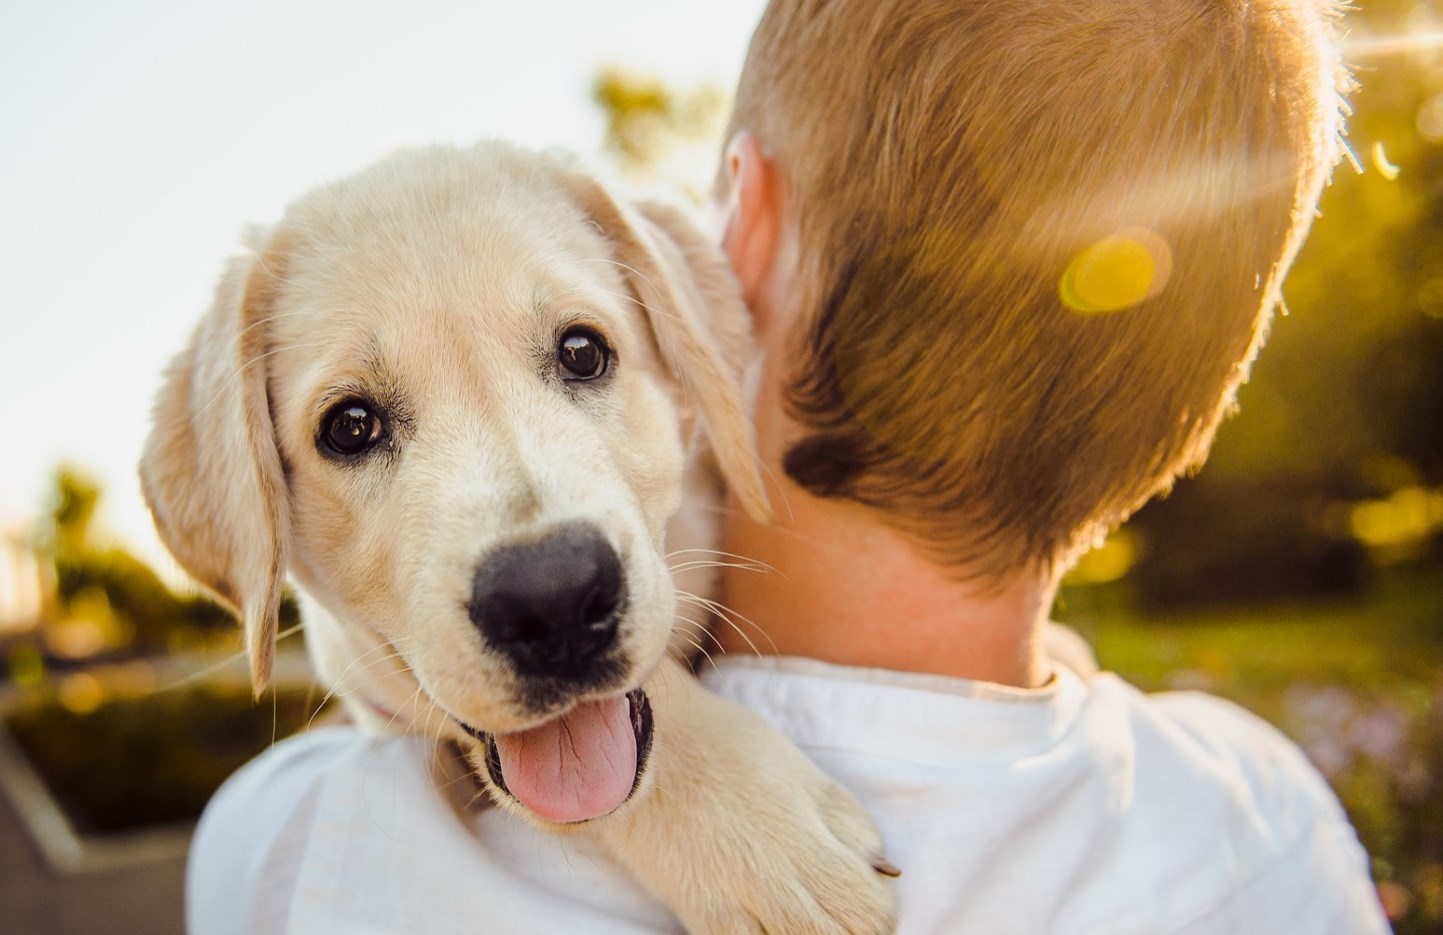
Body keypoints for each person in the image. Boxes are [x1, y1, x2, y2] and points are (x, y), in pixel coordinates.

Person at [188, 0, 1391, 931]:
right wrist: (672, 768)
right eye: (356, 427)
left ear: (731, 251)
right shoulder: (1270, 822)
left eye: (578, 351)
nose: (542, 548)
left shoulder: (295, 853)